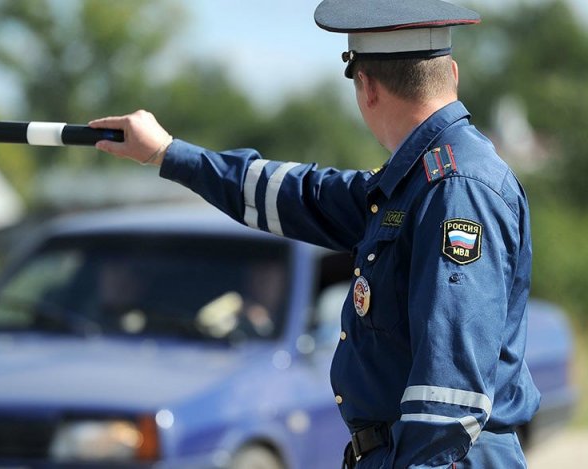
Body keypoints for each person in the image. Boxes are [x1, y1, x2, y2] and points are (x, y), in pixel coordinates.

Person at [88, 0, 540, 466]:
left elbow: (451, 397)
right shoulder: (417, 182)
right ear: (453, 74)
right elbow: (301, 195)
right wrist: (166, 153)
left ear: (365, 86)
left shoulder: (454, 188)